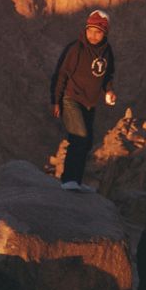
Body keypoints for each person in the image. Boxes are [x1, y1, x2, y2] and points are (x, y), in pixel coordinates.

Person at [50, 10, 117, 193]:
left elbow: (107, 74)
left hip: (90, 102)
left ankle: (76, 182)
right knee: (79, 138)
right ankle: (68, 180)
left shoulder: (106, 51)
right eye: (90, 31)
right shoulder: (76, 49)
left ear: (105, 33)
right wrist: (56, 101)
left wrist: (108, 90)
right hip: (71, 99)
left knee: (87, 143)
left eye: (98, 32)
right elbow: (61, 74)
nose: (93, 36)